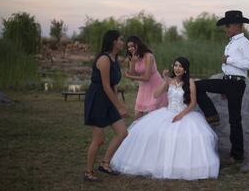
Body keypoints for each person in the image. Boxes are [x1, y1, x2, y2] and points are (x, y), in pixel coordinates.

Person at [110, 57, 220, 180]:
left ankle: (182, 166)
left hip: (184, 114)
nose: (177, 68)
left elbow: (193, 103)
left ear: (185, 69)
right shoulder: (169, 81)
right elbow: (156, 94)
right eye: (176, 65)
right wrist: (164, 80)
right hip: (168, 112)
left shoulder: (190, 82)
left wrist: (181, 115)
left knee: (190, 137)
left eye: (180, 66)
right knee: (155, 134)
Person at [195, 10, 249, 165]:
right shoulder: (231, 43)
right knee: (197, 86)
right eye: (225, 26)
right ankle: (212, 114)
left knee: (235, 120)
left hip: (237, 84)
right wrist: (224, 84)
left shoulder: (244, 43)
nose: (225, 29)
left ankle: (237, 155)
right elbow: (229, 67)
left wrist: (229, 59)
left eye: (228, 26)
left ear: (237, 26)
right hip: (227, 82)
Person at [83, 30, 129, 182]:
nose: (123, 42)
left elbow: (113, 85)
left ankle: (105, 164)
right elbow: (105, 86)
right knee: (99, 139)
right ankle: (88, 173)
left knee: (122, 132)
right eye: (121, 40)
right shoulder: (104, 59)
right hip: (97, 99)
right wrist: (120, 107)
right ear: (114, 42)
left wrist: (118, 104)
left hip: (108, 99)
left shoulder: (114, 59)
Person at [124, 36, 167, 120]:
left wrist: (129, 76)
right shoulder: (132, 58)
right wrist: (132, 62)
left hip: (155, 85)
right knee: (137, 114)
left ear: (138, 45)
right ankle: (137, 133)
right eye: (128, 47)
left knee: (153, 115)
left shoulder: (148, 56)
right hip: (144, 86)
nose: (130, 48)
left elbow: (147, 77)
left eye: (132, 46)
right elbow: (133, 77)